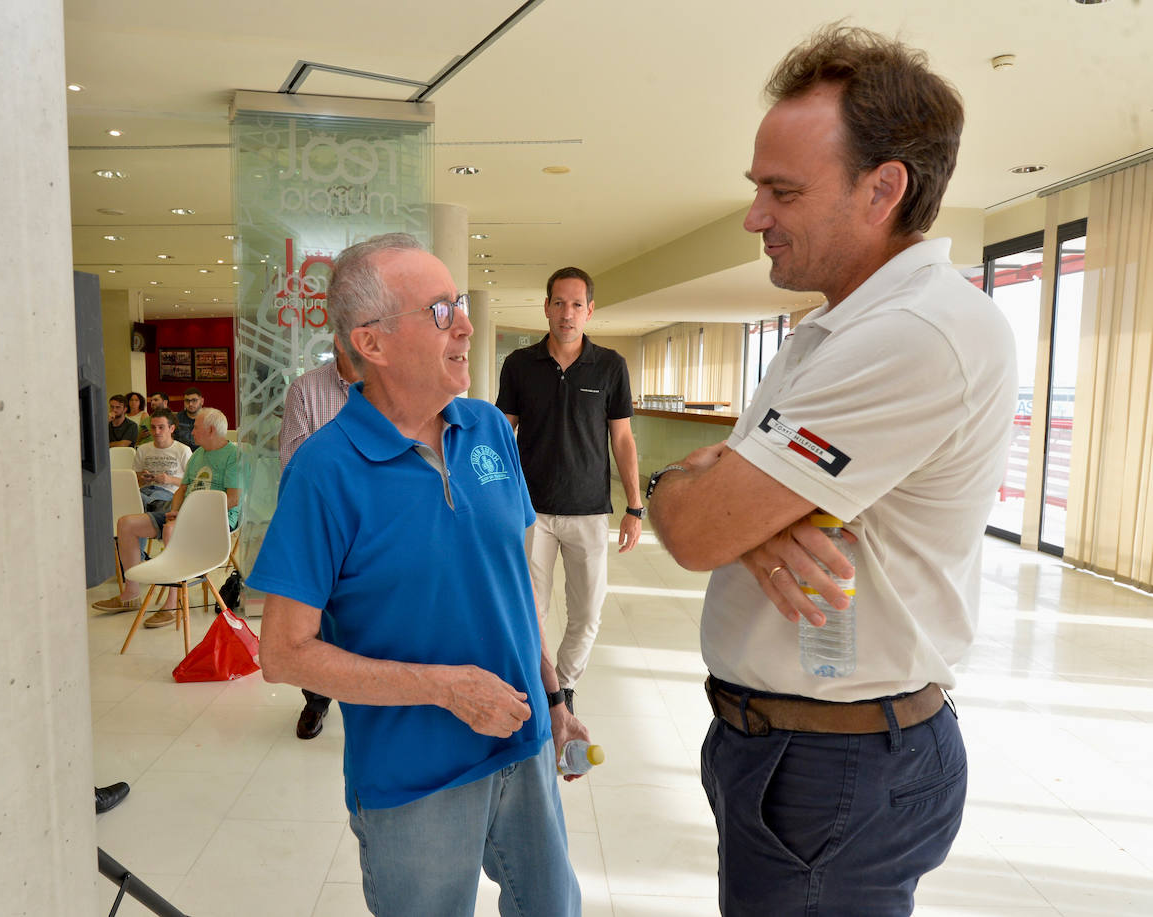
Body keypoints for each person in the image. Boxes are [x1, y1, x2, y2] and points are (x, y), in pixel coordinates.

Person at [646, 26, 1017, 916]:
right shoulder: (839, 326)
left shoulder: (912, 335)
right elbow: (706, 499)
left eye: (783, 190)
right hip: (800, 750)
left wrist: (713, 501)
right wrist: (720, 502)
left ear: (882, 188)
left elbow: (699, 526)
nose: (754, 216)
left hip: (831, 768)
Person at [250, 233, 585, 917]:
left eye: (459, 304)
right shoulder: (323, 471)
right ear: (370, 343)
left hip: (523, 743)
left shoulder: (488, 429)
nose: (465, 324)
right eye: (440, 311)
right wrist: (444, 688)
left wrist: (556, 700)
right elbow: (282, 653)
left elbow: (513, 587)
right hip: (414, 780)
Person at [496, 266, 643, 713]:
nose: (567, 313)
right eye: (558, 303)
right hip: (530, 511)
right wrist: (495, 499)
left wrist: (634, 506)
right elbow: (504, 433)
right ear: (545, 307)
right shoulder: (520, 365)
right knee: (530, 613)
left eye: (576, 304)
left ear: (590, 311)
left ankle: (565, 685)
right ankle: (544, 690)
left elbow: (622, 438)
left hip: (588, 511)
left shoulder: (611, 366)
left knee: (586, 614)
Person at [93, 407, 245, 629]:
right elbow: (182, 490)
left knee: (170, 530)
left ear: (211, 430)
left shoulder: (234, 456)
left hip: (217, 520)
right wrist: (175, 511)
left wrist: (185, 515)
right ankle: (131, 593)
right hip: (186, 515)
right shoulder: (198, 454)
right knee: (126, 524)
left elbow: (232, 500)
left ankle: (172, 606)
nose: (191, 432)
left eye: (196, 428)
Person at [276, 340, 360, 740]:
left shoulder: (391, 384)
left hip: (379, 522)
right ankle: (316, 699)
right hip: (321, 519)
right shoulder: (306, 390)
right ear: (339, 341)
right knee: (319, 619)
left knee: (375, 614)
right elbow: (294, 459)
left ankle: (376, 704)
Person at [133, 409, 191, 512]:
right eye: (153, 427)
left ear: (171, 428)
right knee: (135, 498)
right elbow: (135, 479)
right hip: (145, 491)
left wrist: (170, 480)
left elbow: (191, 483)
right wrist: (143, 478)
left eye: (161, 427)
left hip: (169, 493)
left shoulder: (183, 450)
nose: (156, 432)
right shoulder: (142, 449)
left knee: (152, 502)